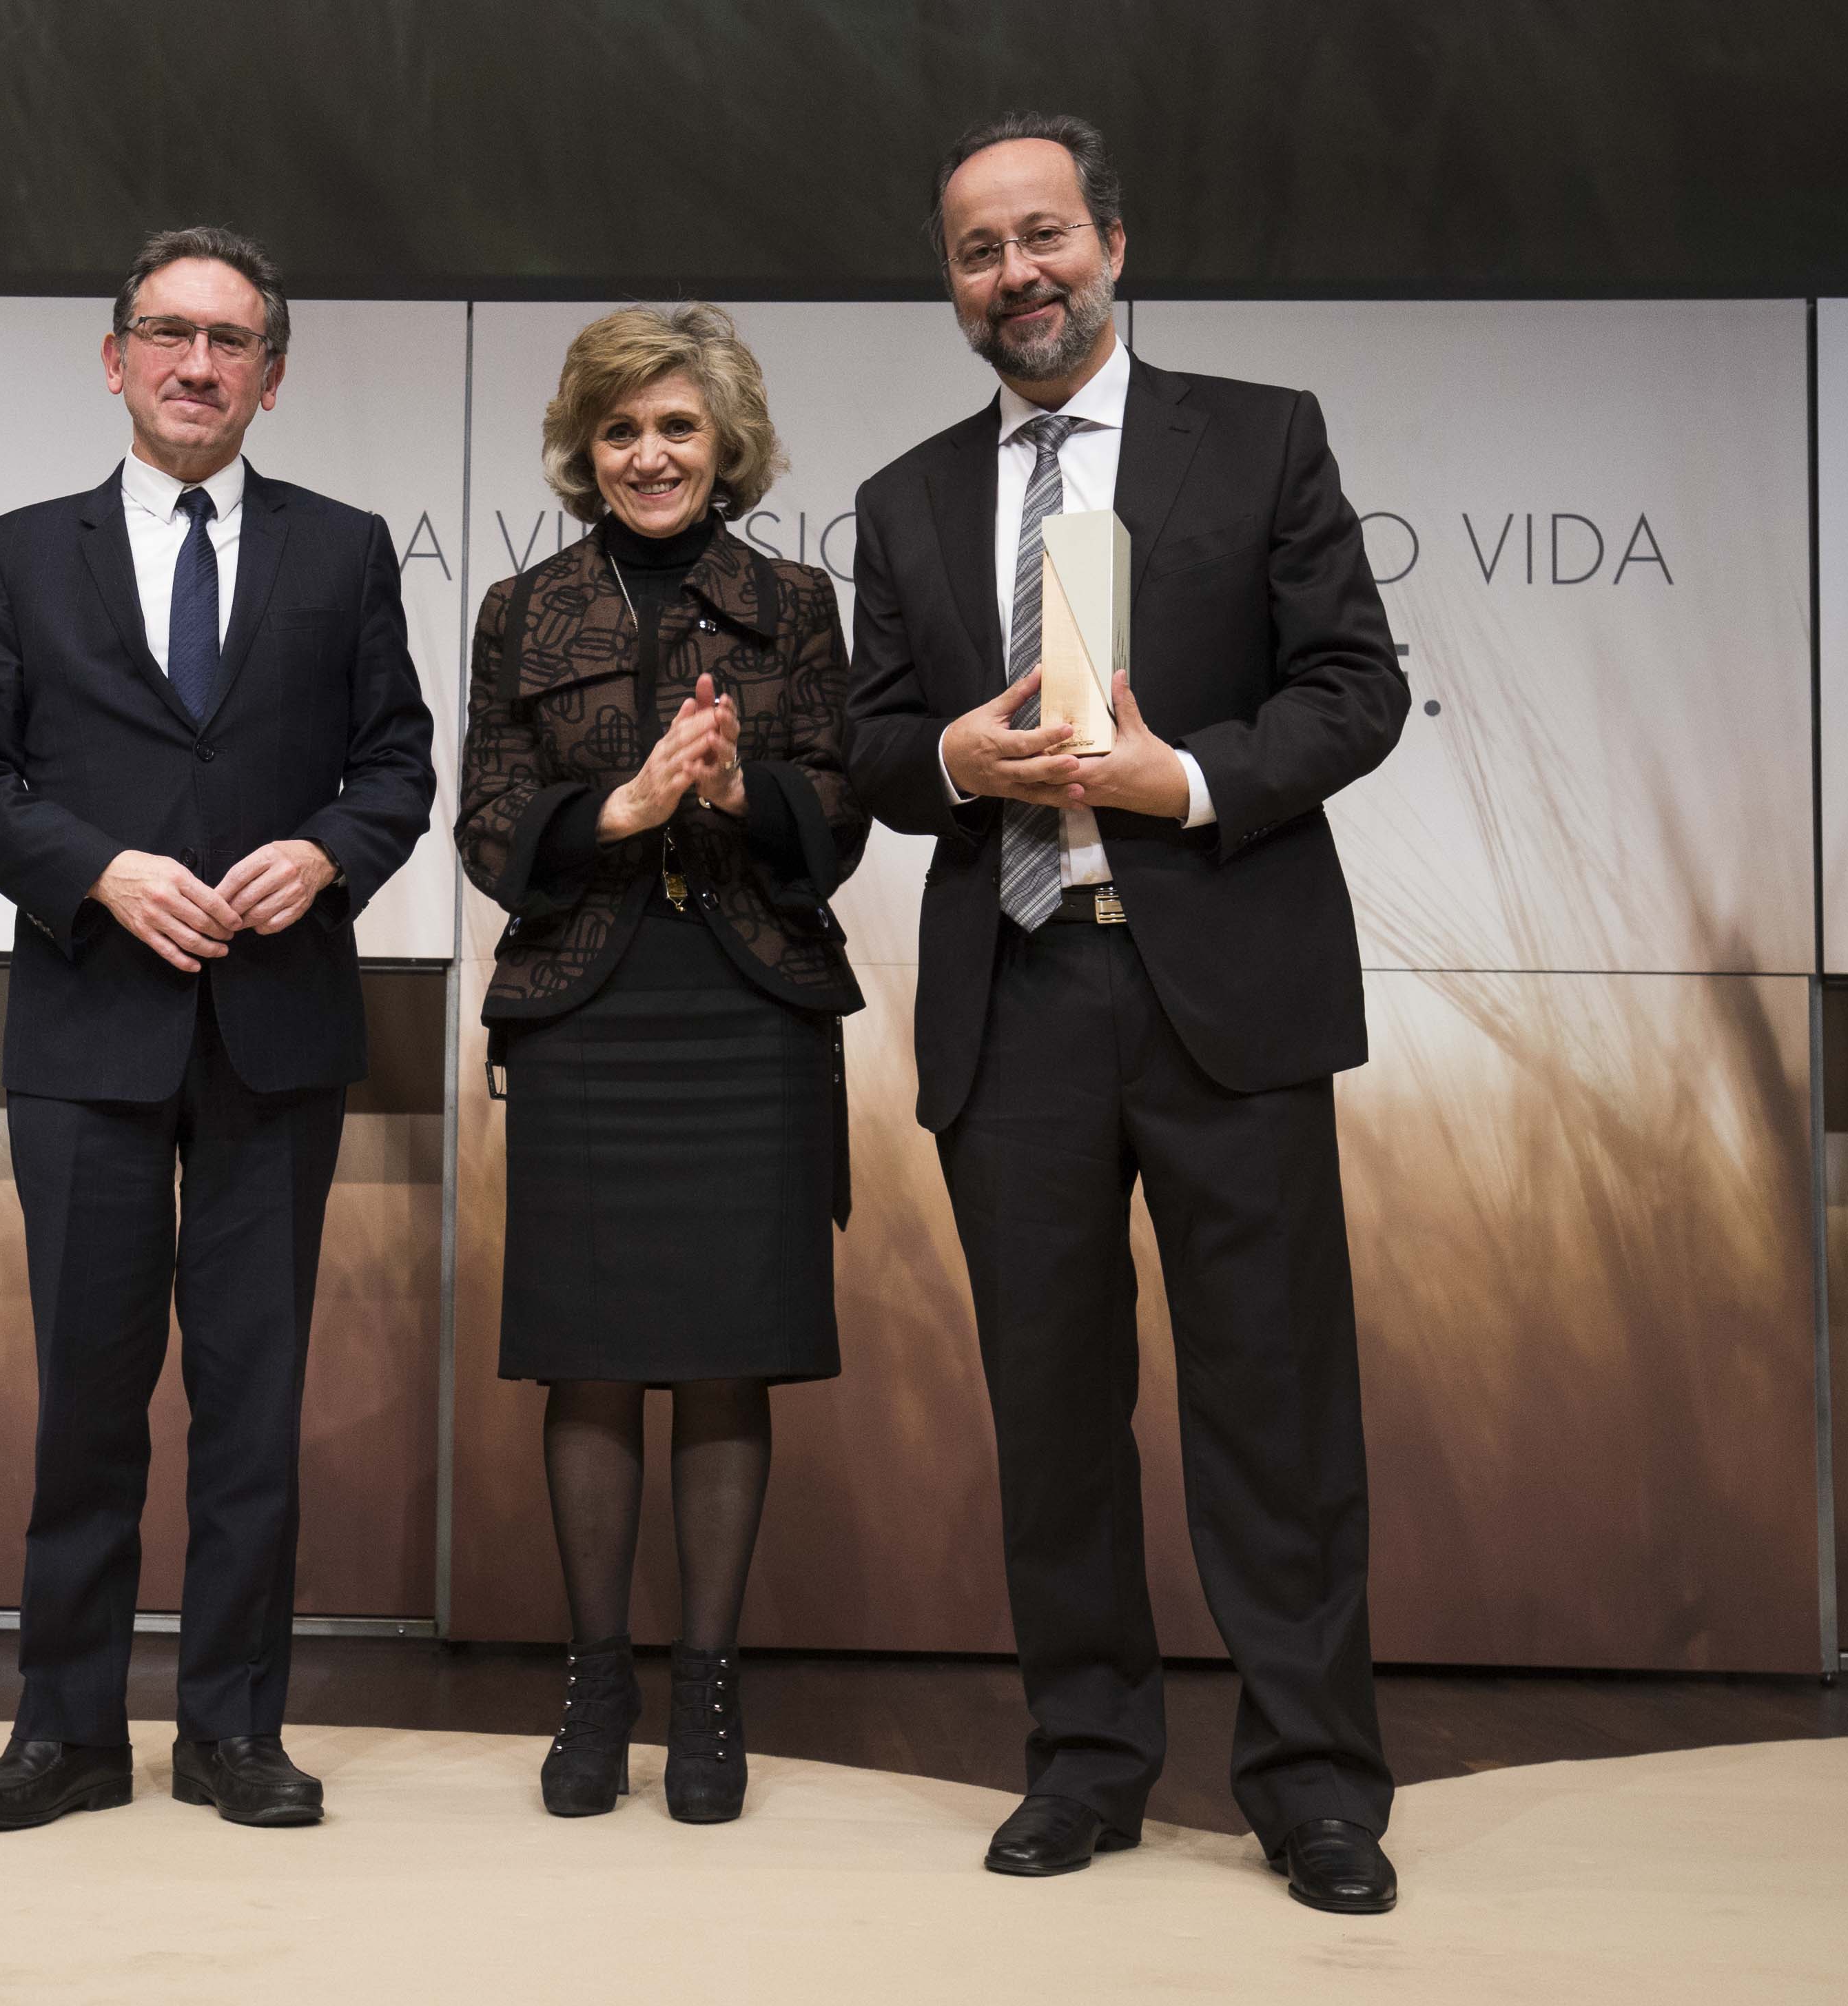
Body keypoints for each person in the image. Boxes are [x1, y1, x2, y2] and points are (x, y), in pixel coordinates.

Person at [848, 114, 1409, 1912]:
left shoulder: (1256, 437)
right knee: (1051, 1404)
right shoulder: (905, 496)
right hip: (1010, 997)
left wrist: (1180, 778)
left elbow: (1352, 690)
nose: (1012, 274)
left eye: (1039, 236)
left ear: (1108, 239)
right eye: (973, 251)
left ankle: (1313, 1782)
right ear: (949, 283)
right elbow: (864, 748)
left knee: (1273, 1404)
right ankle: (1082, 1758)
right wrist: (944, 752)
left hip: (1220, 986)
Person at [0, 226, 435, 1832]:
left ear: (270, 375)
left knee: (249, 1399)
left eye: (229, 342)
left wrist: (328, 853)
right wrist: (99, 871)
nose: (197, 364)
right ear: (114, 357)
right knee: (83, 1394)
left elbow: (395, 769)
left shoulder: (344, 551)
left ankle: (230, 1729)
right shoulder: (14, 556)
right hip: (86, 1029)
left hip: (273, 1033)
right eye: (168, 334)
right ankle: (65, 1730)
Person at [456, 304, 867, 1825]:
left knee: (719, 1349)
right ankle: (594, 1686)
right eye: (621, 429)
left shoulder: (793, 601)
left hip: (746, 1001)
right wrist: (615, 813)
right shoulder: (521, 607)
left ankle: (704, 1686)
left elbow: (845, 803)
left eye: (676, 427)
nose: (648, 454)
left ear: (724, 445)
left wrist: (746, 792)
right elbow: (489, 820)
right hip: (585, 1005)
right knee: (589, 1350)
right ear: (584, 448)